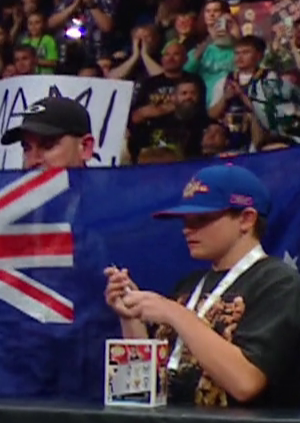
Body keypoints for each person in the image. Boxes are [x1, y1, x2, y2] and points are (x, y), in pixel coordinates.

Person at [105, 164, 300, 408]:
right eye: (185, 220)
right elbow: (142, 388)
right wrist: (131, 317)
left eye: (202, 219)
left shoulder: (279, 284)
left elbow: (245, 383)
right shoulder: (189, 285)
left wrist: (173, 312)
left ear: (246, 219)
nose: (187, 230)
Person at [2, 95, 96, 169]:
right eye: (27, 148)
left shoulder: (103, 188)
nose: (32, 161)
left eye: (48, 146)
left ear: (85, 147)